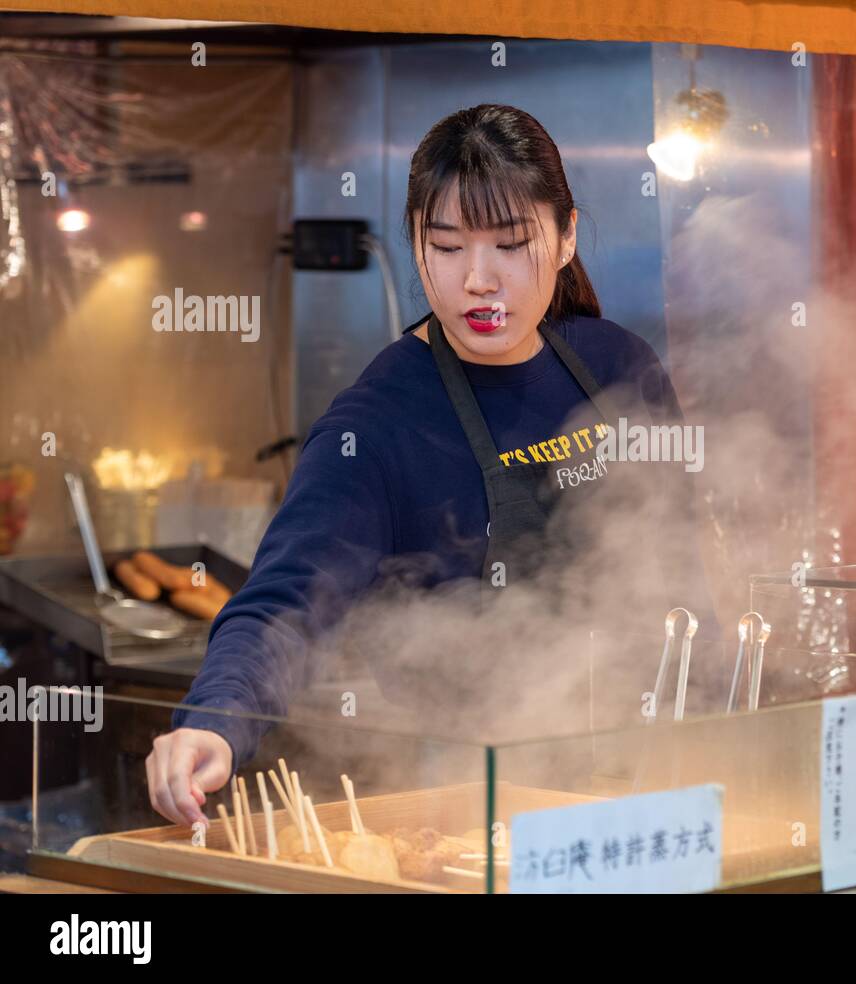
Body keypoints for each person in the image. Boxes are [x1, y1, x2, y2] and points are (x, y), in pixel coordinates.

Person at [146, 104, 717, 826]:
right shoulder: (378, 421)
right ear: (418, 248)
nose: (478, 280)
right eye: (446, 248)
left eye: (511, 244)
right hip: (469, 799)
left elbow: (683, 584)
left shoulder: (619, 366)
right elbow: (285, 602)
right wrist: (213, 720)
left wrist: (731, 732)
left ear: (566, 236)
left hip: (647, 774)